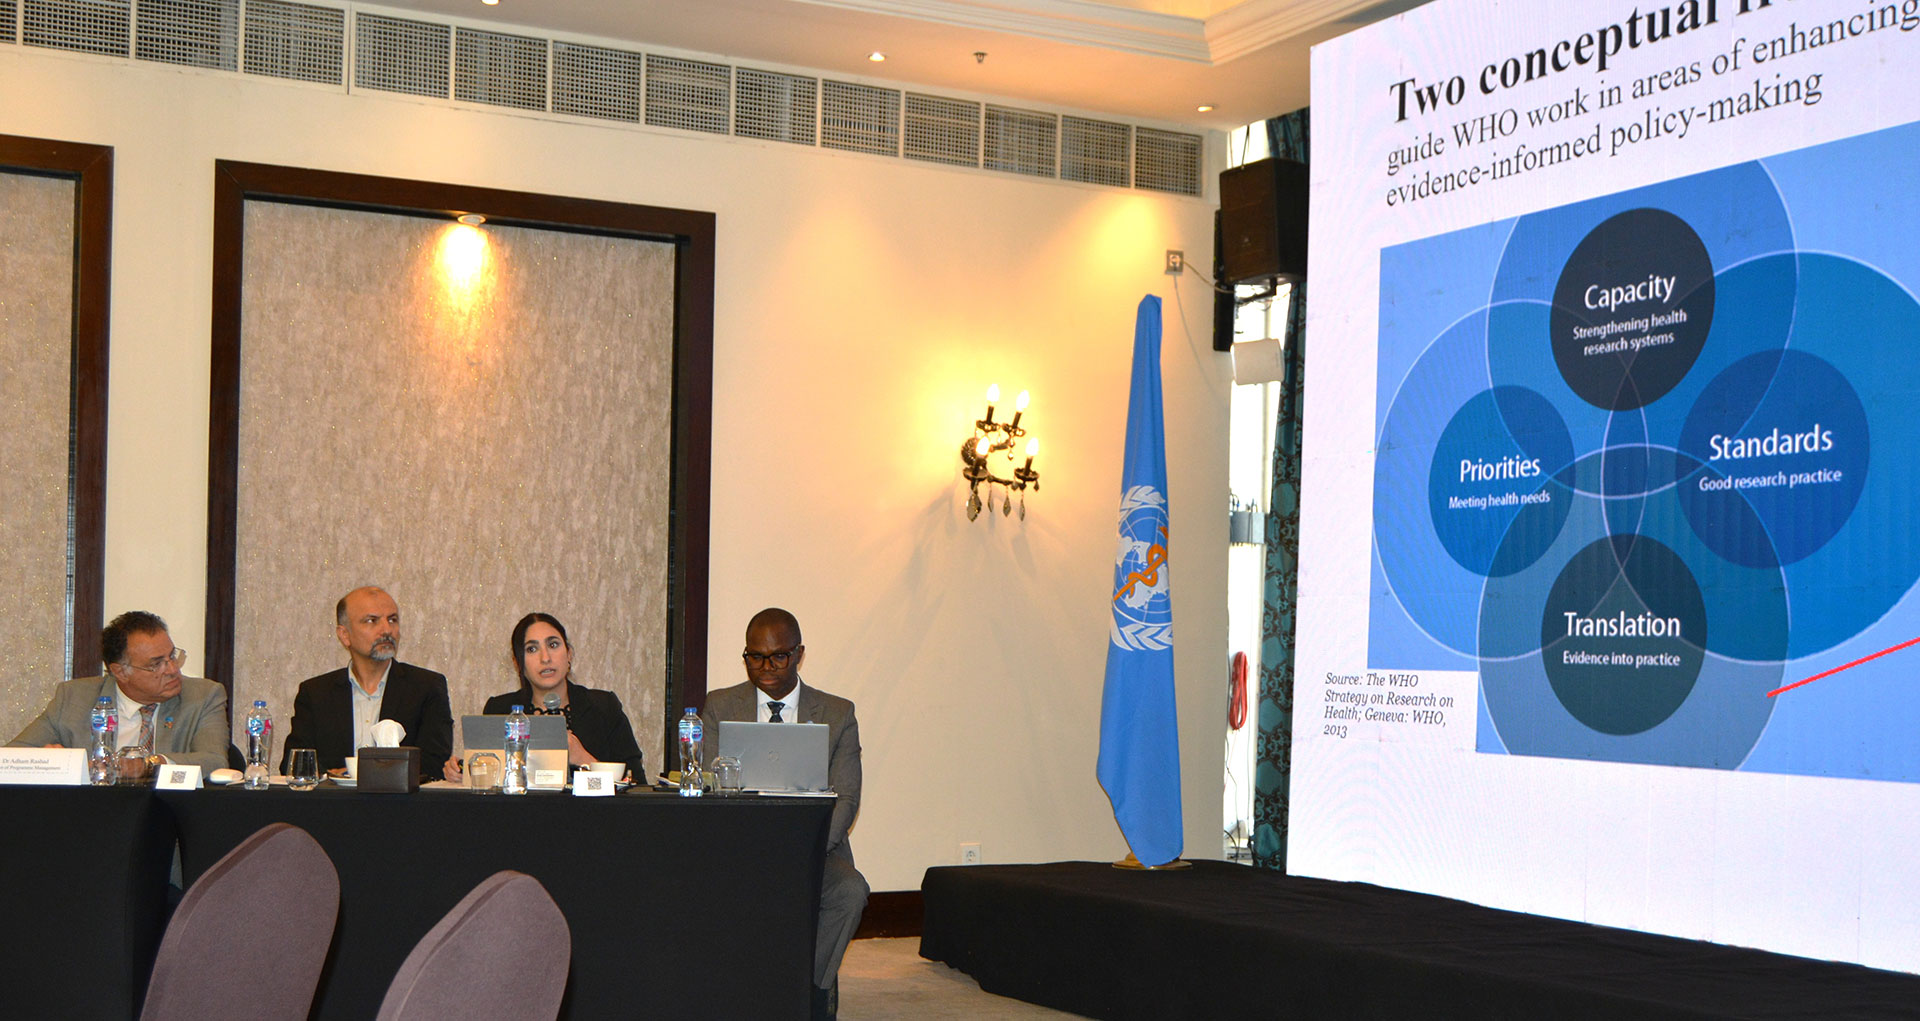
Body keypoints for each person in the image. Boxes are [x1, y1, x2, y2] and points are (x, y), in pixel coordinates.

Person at [702, 607, 867, 1021]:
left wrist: (803, 852)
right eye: (755, 657)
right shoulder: (720, 706)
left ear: (799, 655)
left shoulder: (837, 713)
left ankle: (810, 989)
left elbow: (845, 799)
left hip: (816, 850)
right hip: (740, 848)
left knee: (850, 893)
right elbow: (707, 786)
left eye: (778, 657)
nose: (766, 668)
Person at [9, 611, 230, 776]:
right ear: (120, 672)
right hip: (91, 818)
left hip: (166, 823)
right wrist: (55, 761)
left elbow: (215, 762)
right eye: (157, 664)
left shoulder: (204, 696)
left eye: (172, 656)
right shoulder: (73, 698)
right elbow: (11, 758)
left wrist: (148, 764)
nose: (173, 669)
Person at [444, 612, 645, 782]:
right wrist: (464, 773)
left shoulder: (603, 707)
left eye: (554, 645)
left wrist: (584, 758)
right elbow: (490, 783)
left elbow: (636, 784)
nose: (545, 658)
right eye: (532, 649)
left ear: (569, 654)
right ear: (518, 663)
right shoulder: (500, 709)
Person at [282, 586, 453, 780]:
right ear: (344, 635)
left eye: (392, 619)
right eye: (372, 621)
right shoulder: (315, 693)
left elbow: (434, 764)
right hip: (333, 806)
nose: (387, 630)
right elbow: (295, 763)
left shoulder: (426, 688)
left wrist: (356, 772)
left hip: (402, 808)